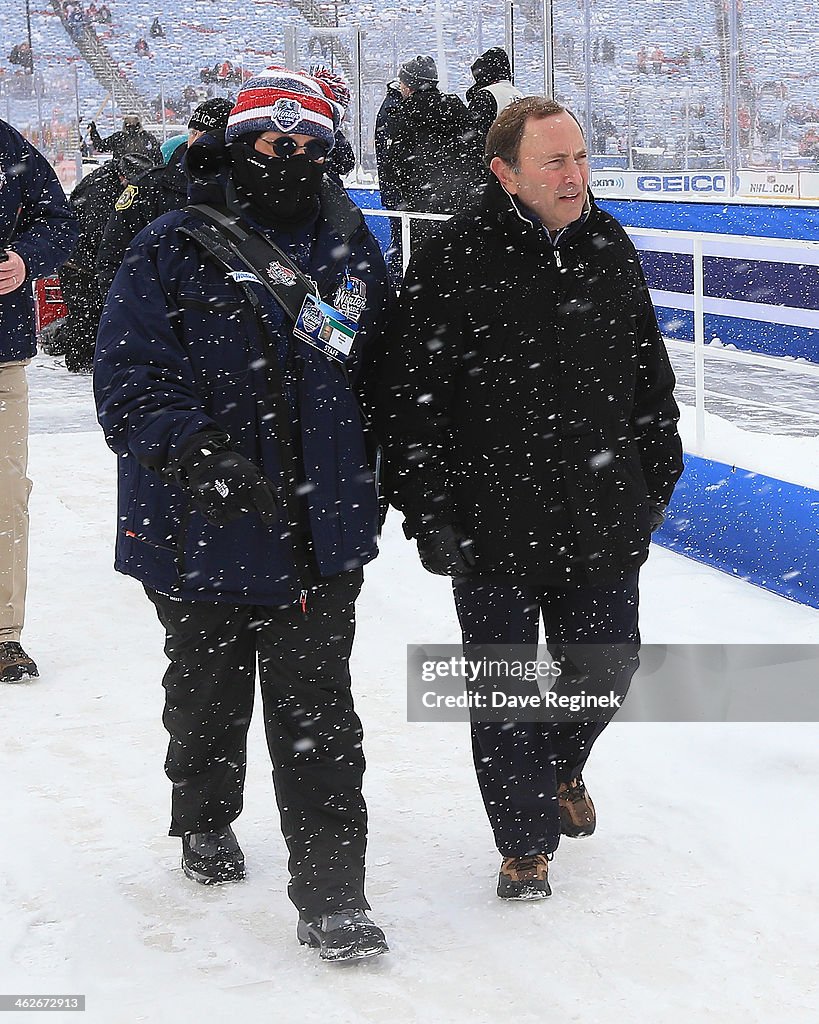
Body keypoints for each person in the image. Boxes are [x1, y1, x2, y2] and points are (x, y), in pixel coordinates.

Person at [94, 66, 392, 962]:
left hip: (319, 530)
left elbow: (385, 372)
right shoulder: (172, 244)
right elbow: (130, 376)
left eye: (307, 145)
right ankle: (203, 814)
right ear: (238, 144)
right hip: (201, 526)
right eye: (273, 141)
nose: (290, 158)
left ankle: (333, 891)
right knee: (206, 694)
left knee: (320, 714)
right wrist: (195, 454)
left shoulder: (352, 245)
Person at [376, 97, 683, 901]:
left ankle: (559, 768)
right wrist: (429, 509)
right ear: (504, 172)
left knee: (606, 670)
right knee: (505, 689)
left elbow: (646, 370)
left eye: (580, 158)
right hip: (491, 517)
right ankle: (523, 843)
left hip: (601, 505)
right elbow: (413, 397)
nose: (575, 176)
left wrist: (657, 468)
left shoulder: (608, 244)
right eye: (555, 162)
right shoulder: (449, 258)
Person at [0, 119, 78, 682]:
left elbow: (60, 223)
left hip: (1, 354)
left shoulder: (5, 145)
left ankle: (4, 634)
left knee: (5, 496)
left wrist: (25, 258)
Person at [97, 97, 232, 293]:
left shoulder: (246, 187)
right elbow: (114, 257)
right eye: (194, 133)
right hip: (161, 311)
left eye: (211, 135)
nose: (199, 141)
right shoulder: (149, 188)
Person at [60, 149, 160, 373]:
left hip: (90, 258)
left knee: (96, 314)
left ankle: (93, 361)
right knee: (85, 316)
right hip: (78, 262)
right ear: (122, 177)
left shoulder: (119, 182)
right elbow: (103, 238)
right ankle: (80, 364)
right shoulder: (100, 191)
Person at [379, 54, 485, 250]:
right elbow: (477, 152)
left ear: (410, 85)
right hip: (459, 206)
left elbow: (393, 166)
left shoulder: (403, 114)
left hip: (420, 210)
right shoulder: (456, 108)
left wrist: (410, 193)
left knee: (424, 265)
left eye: (402, 83)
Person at [374, 77, 404, 286]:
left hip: (392, 189)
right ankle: (395, 279)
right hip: (397, 191)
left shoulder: (389, 108)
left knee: (399, 238)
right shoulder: (394, 111)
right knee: (401, 240)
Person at [465, 47, 522, 150]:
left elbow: (472, 135)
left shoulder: (486, 95)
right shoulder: (518, 95)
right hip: (514, 158)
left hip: (492, 159)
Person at [88, 115, 163, 165]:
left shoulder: (118, 137)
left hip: (121, 176)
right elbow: (158, 159)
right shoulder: (148, 138)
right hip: (144, 176)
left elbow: (100, 146)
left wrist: (93, 131)